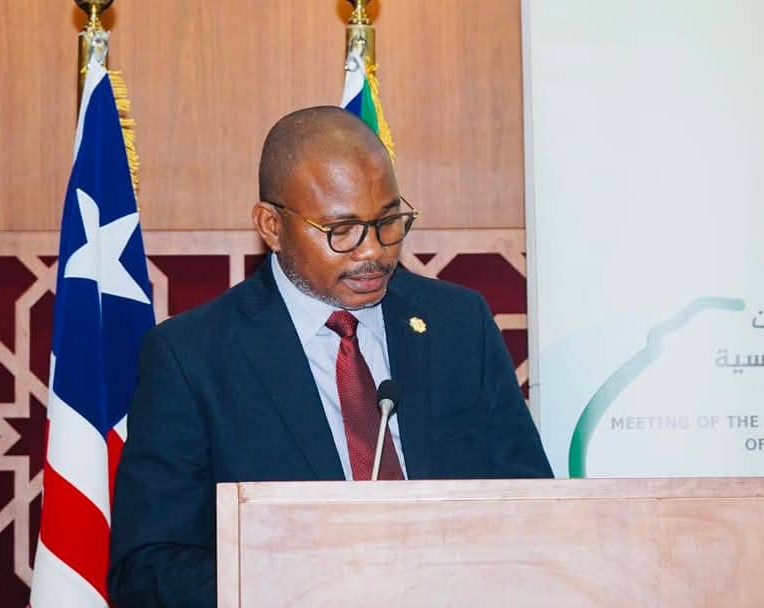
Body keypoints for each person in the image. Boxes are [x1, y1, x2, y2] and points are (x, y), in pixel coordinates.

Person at [108, 106, 553, 606]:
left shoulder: (457, 324)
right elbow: (147, 568)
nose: (373, 252)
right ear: (272, 226)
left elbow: (533, 507)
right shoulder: (192, 356)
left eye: (388, 221)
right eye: (341, 231)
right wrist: (308, 585)